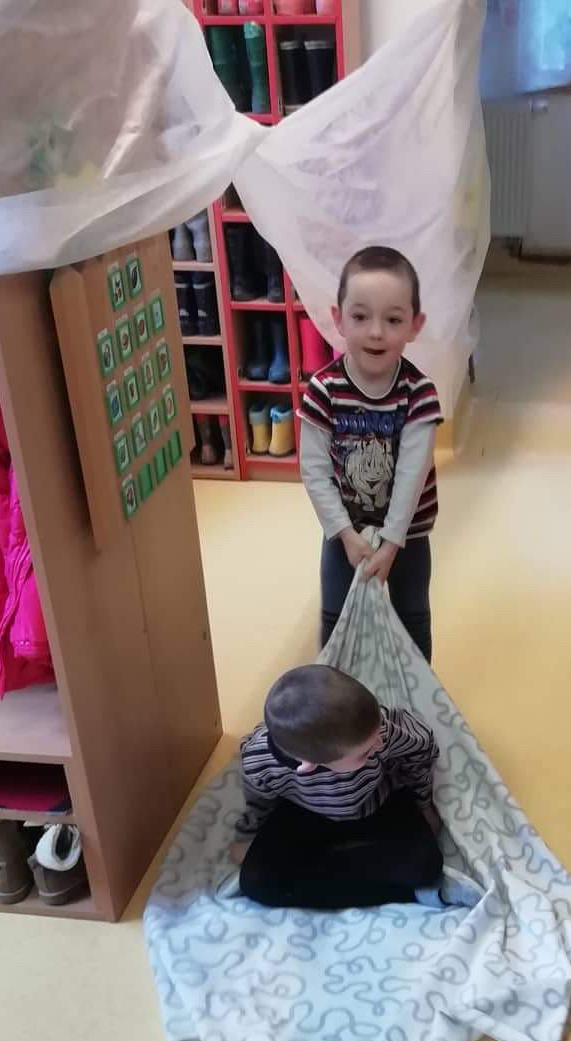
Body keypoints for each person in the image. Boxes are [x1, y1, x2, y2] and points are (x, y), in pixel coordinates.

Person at [299, 245, 443, 662]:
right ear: (338, 319)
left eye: (393, 319)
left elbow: (412, 475)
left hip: (408, 535)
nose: (376, 332)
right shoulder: (323, 390)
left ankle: (414, 697)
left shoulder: (419, 394)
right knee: (335, 619)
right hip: (345, 532)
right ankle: (339, 695)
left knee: (412, 618)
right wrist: (346, 535)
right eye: (361, 317)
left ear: (415, 325)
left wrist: (392, 544)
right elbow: (314, 471)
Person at [232, 663, 444, 910]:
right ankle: (401, 890)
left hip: (379, 800)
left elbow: (422, 748)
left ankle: (411, 889)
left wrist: (424, 803)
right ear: (310, 765)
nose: (379, 744)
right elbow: (258, 799)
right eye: (365, 753)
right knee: (255, 882)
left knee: (427, 865)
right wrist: (249, 833)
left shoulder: (380, 730)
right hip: (306, 812)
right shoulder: (260, 761)